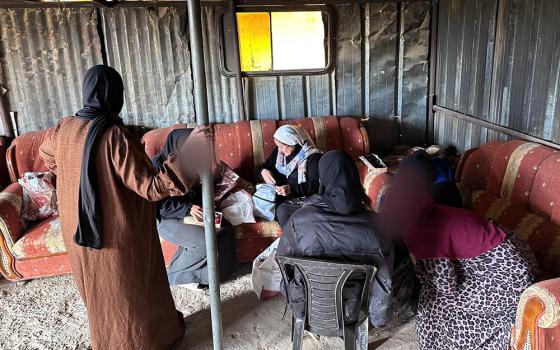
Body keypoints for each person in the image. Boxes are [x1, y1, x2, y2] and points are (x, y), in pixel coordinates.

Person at [39, 65, 212, 350]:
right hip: (114, 232)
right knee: (130, 293)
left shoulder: (63, 129)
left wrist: (75, 176)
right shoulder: (114, 137)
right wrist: (190, 150)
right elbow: (152, 187)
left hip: (78, 229)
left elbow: (48, 156)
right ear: (116, 95)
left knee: (99, 294)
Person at [379, 156, 538, 350]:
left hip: (510, 274)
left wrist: (418, 269)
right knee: (430, 297)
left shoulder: (419, 229)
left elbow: (446, 286)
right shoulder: (424, 206)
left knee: (435, 304)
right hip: (512, 252)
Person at [277, 150, 394, 328]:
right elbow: (385, 278)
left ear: (322, 180)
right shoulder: (377, 225)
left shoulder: (299, 221)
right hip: (354, 311)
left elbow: (284, 266)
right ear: (355, 179)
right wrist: (379, 319)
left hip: (309, 308)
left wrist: (295, 304)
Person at [152, 128, 239, 287]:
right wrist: (188, 208)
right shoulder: (157, 166)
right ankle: (171, 277)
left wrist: (207, 201)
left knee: (224, 228)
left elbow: (196, 193)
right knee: (203, 242)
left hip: (189, 214)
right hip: (166, 218)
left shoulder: (192, 164)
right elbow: (158, 204)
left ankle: (217, 275)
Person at [256, 124, 322, 226]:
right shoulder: (279, 153)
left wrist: (291, 189)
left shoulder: (312, 157)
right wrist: (263, 171)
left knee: (285, 213)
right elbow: (263, 167)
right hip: (281, 199)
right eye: (278, 146)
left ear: (292, 142)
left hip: (303, 199)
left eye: (282, 146)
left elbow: (315, 185)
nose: (280, 150)